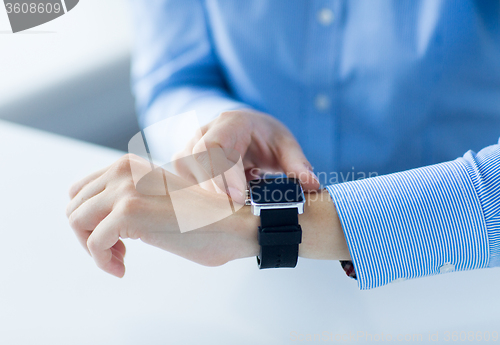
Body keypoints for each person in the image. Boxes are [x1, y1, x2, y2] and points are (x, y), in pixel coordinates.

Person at [66, 0, 500, 289]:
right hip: (261, 286)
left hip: (465, 273)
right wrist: (211, 135)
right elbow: (176, 79)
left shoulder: (239, 230)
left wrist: (250, 226)